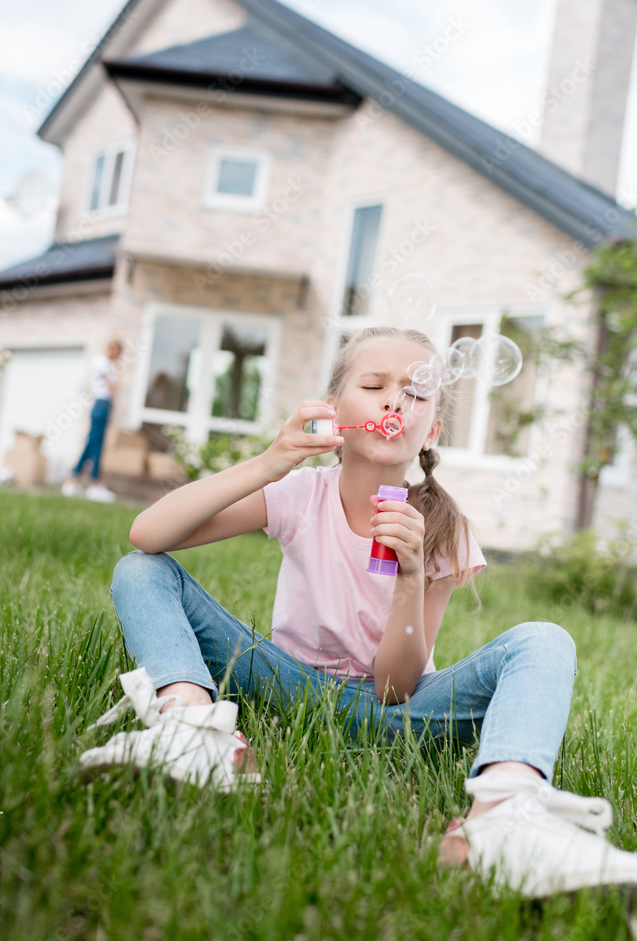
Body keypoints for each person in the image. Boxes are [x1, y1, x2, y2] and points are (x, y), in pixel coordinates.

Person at [80, 327, 637, 897]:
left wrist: (411, 577)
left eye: (416, 395)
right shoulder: (300, 495)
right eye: (374, 385)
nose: (396, 401)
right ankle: (193, 730)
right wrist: (270, 463)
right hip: (285, 683)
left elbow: (396, 687)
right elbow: (147, 533)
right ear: (335, 409)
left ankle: (505, 813)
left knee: (544, 639)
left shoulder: (445, 529)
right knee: (141, 569)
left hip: (405, 714)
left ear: (431, 430)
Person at [62, 340, 123, 502]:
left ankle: (77, 479)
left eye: (118, 350)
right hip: (101, 404)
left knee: (94, 443)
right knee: (95, 444)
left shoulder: (108, 364)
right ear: (109, 348)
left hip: (104, 405)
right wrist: (114, 385)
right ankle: (91, 482)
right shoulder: (101, 361)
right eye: (114, 348)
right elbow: (111, 387)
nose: (116, 353)